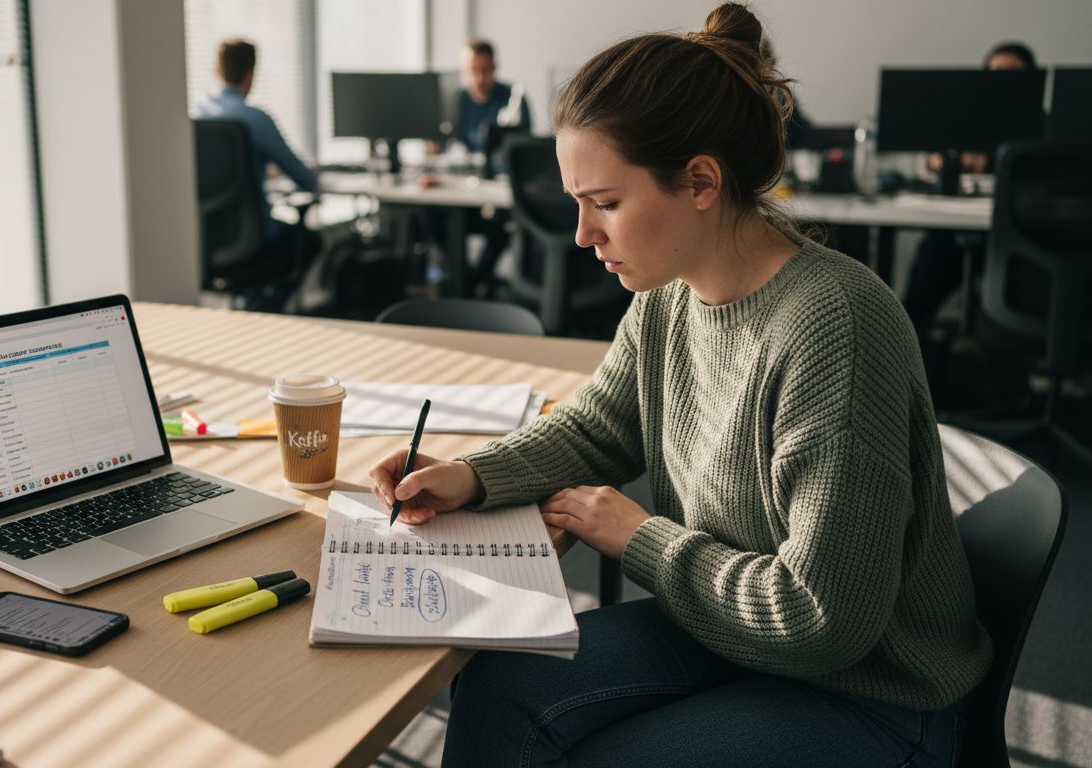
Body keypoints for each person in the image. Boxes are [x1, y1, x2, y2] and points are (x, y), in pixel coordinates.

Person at [368, 4, 991, 765]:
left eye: (605, 204)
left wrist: (641, 539)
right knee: (498, 685)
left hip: (867, 690)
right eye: (577, 204)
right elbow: (600, 426)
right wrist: (470, 475)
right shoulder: (668, 295)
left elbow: (823, 618)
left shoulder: (836, 326)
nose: (582, 236)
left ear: (700, 181)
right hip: (730, 632)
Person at [902, 41, 1039, 395]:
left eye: (1013, 77)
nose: (1003, 85)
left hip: (1020, 243)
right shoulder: (965, 117)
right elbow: (930, 160)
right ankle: (908, 373)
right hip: (960, 234)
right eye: (994, 76)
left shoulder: (1043, 129)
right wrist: (943, 161)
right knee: (932, 261)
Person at [196, 39, 319, 309]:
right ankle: (264, 309)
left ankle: (254, 306)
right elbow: (305, 179)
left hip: (204, 239)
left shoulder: (198, 114)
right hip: (251, 238)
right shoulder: (255, 118)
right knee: (311, 241)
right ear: (251, 74)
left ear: (217, 71)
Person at [431, 39, 532, 298]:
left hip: (496, 187)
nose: (479, 77)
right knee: (426, 212)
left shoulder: (513, 99)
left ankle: (474, 280)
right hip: (462, 185)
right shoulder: (457, 100)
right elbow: (444, 145)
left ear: (494, 68)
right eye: (472, 71)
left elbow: (523, 149)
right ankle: (460, 273)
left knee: (504, 224)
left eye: (485, 70)